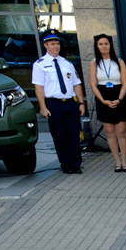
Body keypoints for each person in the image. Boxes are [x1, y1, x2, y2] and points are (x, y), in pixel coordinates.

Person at [33, 31, 85, 174]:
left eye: (57, 44)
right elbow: (38, 87)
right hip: (54, 103)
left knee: (73, 134)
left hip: (69, 102)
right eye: (52, 44)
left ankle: (76, 164)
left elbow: (76, 84)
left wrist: (81, 103)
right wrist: (43, 107)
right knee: (59, 135)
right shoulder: (40, 64)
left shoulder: (66, 63)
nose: (56, 47)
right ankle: (66, 164)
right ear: (46, 45)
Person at [88, 34, 126, 172]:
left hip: (119, 96)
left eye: (106, 43)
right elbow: (93, 85)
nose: (104, 46)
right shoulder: (94, 62)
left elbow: (125, 83)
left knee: (121, 131)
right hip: (103, 97)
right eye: (100, 44)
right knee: (109, 131)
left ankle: (125, 162)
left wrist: (119, 99)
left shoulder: (119, 62)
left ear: (110, 45)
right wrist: (103, 101)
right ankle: (117, 162)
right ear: (97, 46)